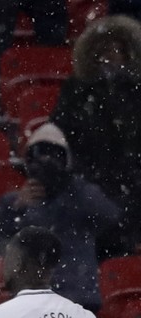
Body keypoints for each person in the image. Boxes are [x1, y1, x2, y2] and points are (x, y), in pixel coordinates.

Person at [0, 123, 122, 312]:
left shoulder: (81, 196)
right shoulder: (14, 202)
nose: (46, 164)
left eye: (53, 156)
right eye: (39, 156)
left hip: (78, 297)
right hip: (32, 298)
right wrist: (18, 208)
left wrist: (69, 184)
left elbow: (111, 215)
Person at [51, 15, 141, 252]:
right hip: (91, 180)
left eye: (118, 49)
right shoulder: (77, 89)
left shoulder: (135, 91)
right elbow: (59, 130)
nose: (112, 55)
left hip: (132, 181)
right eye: (106, 49)